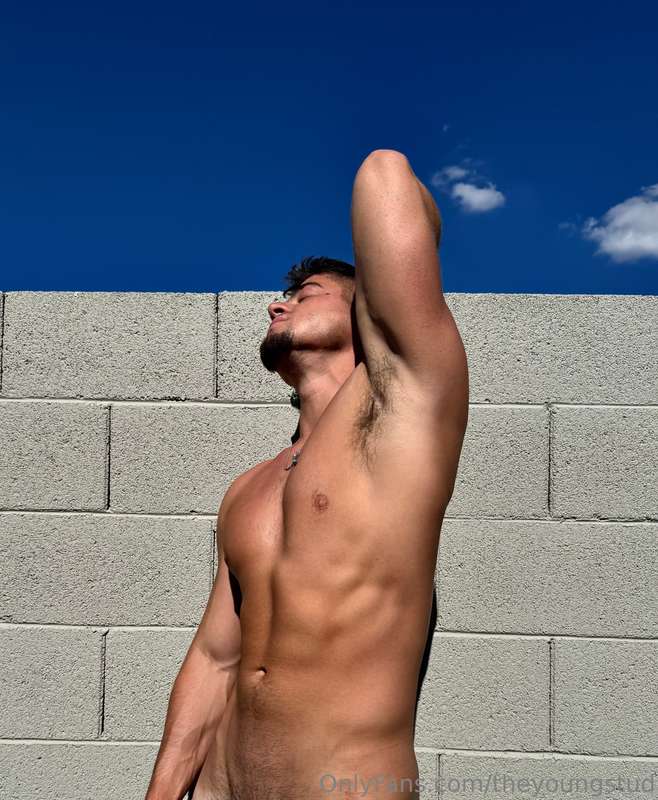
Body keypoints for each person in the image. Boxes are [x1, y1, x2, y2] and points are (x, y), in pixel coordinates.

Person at [145, 149, 469, 800]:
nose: (276, 305)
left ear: (365, 310)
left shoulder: (405, 417)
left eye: (304, 295)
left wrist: (384, 291)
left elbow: (385, 177)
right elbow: (215, 658)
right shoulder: (249, 487)